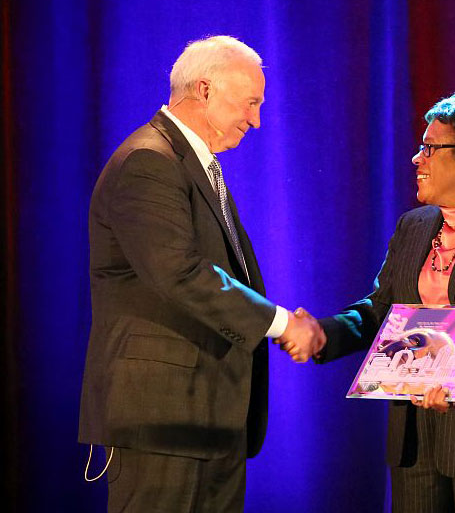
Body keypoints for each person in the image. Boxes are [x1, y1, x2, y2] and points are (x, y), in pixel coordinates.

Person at [282, 94, 455, 512]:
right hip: (414, 437)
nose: (417, 158)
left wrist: (454, 382)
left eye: (430, 148)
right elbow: (381, 311)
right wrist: (326, 333)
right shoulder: (414, 225)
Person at [78, 35, 323, 512]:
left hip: (210, 416)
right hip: (164, 419)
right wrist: (282, 324)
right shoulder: (148, 161)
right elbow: (180, 272)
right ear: (206, 89)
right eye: (251, 102)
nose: (256, 119)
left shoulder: (193, 164)